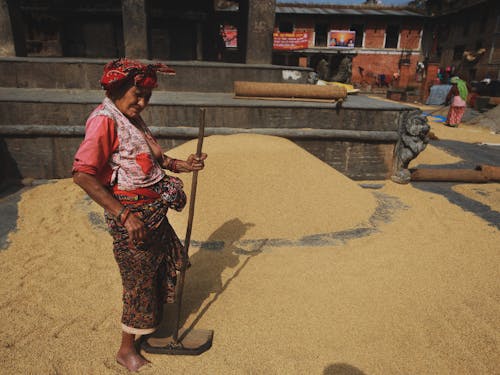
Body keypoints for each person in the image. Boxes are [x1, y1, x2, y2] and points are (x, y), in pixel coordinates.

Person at [72, 58, 207, 372]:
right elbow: (83, 175)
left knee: (160, 269)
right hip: (132, 219)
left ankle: (150, 326)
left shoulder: (131, 118)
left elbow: (152, 160)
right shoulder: (104, 120)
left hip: (153, 214)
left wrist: (184, 165)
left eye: (148, 95)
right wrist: (124, 216)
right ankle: (126, 350)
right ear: (118, 88)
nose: (143, 102)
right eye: (138, 94)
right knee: (138, 283)